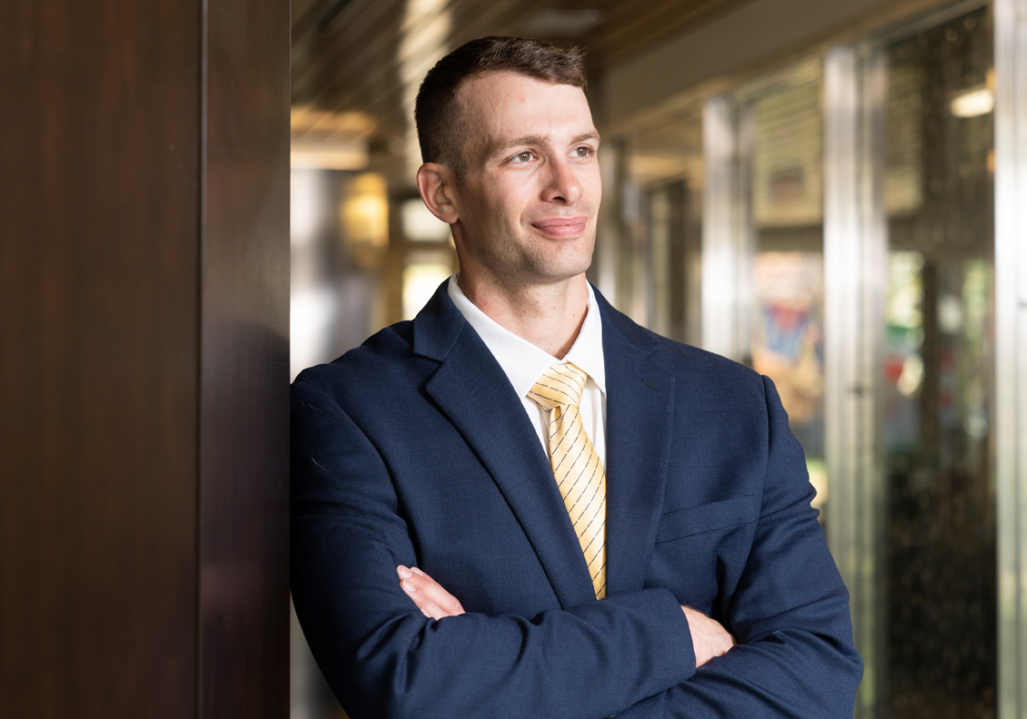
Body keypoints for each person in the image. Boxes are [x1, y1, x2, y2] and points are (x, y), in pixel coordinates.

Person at [290, 36, 863, 719]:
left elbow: (818, 670)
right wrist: (673, 632)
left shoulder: (736, 405)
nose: (567, 184)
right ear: (442, 193)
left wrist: (491, 666)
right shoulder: (350, 411)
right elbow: (404, 681)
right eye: (524, 155)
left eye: (583, 150)